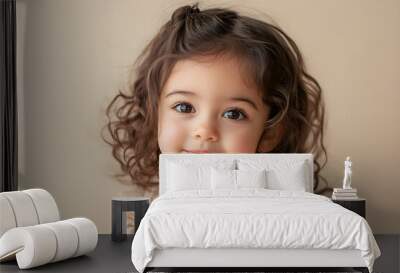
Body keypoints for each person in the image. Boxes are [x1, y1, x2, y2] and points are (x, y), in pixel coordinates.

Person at [102, 3, 328, 198]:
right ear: (154, 113)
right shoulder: (152, 211)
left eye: (233, 114)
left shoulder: (286, 216)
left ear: (270, 132)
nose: (205, 130)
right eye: (184, 107)